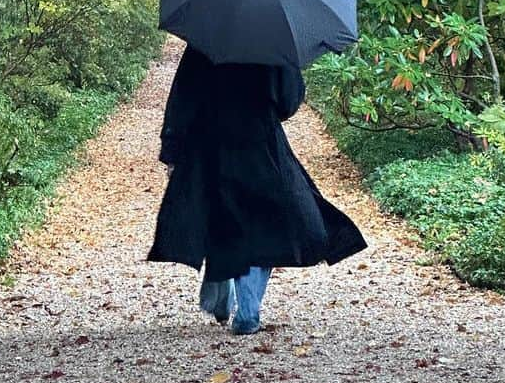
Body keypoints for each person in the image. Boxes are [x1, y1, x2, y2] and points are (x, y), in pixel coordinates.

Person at [147, 44, 367, 335]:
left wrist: (173, 150)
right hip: (259, 142)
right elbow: (288, 101)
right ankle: (247, 309)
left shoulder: (205, 42)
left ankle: (221, 299)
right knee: (261, 224)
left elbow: (183, 98)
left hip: (210, 142)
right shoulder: (272, 43)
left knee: (223, 217)